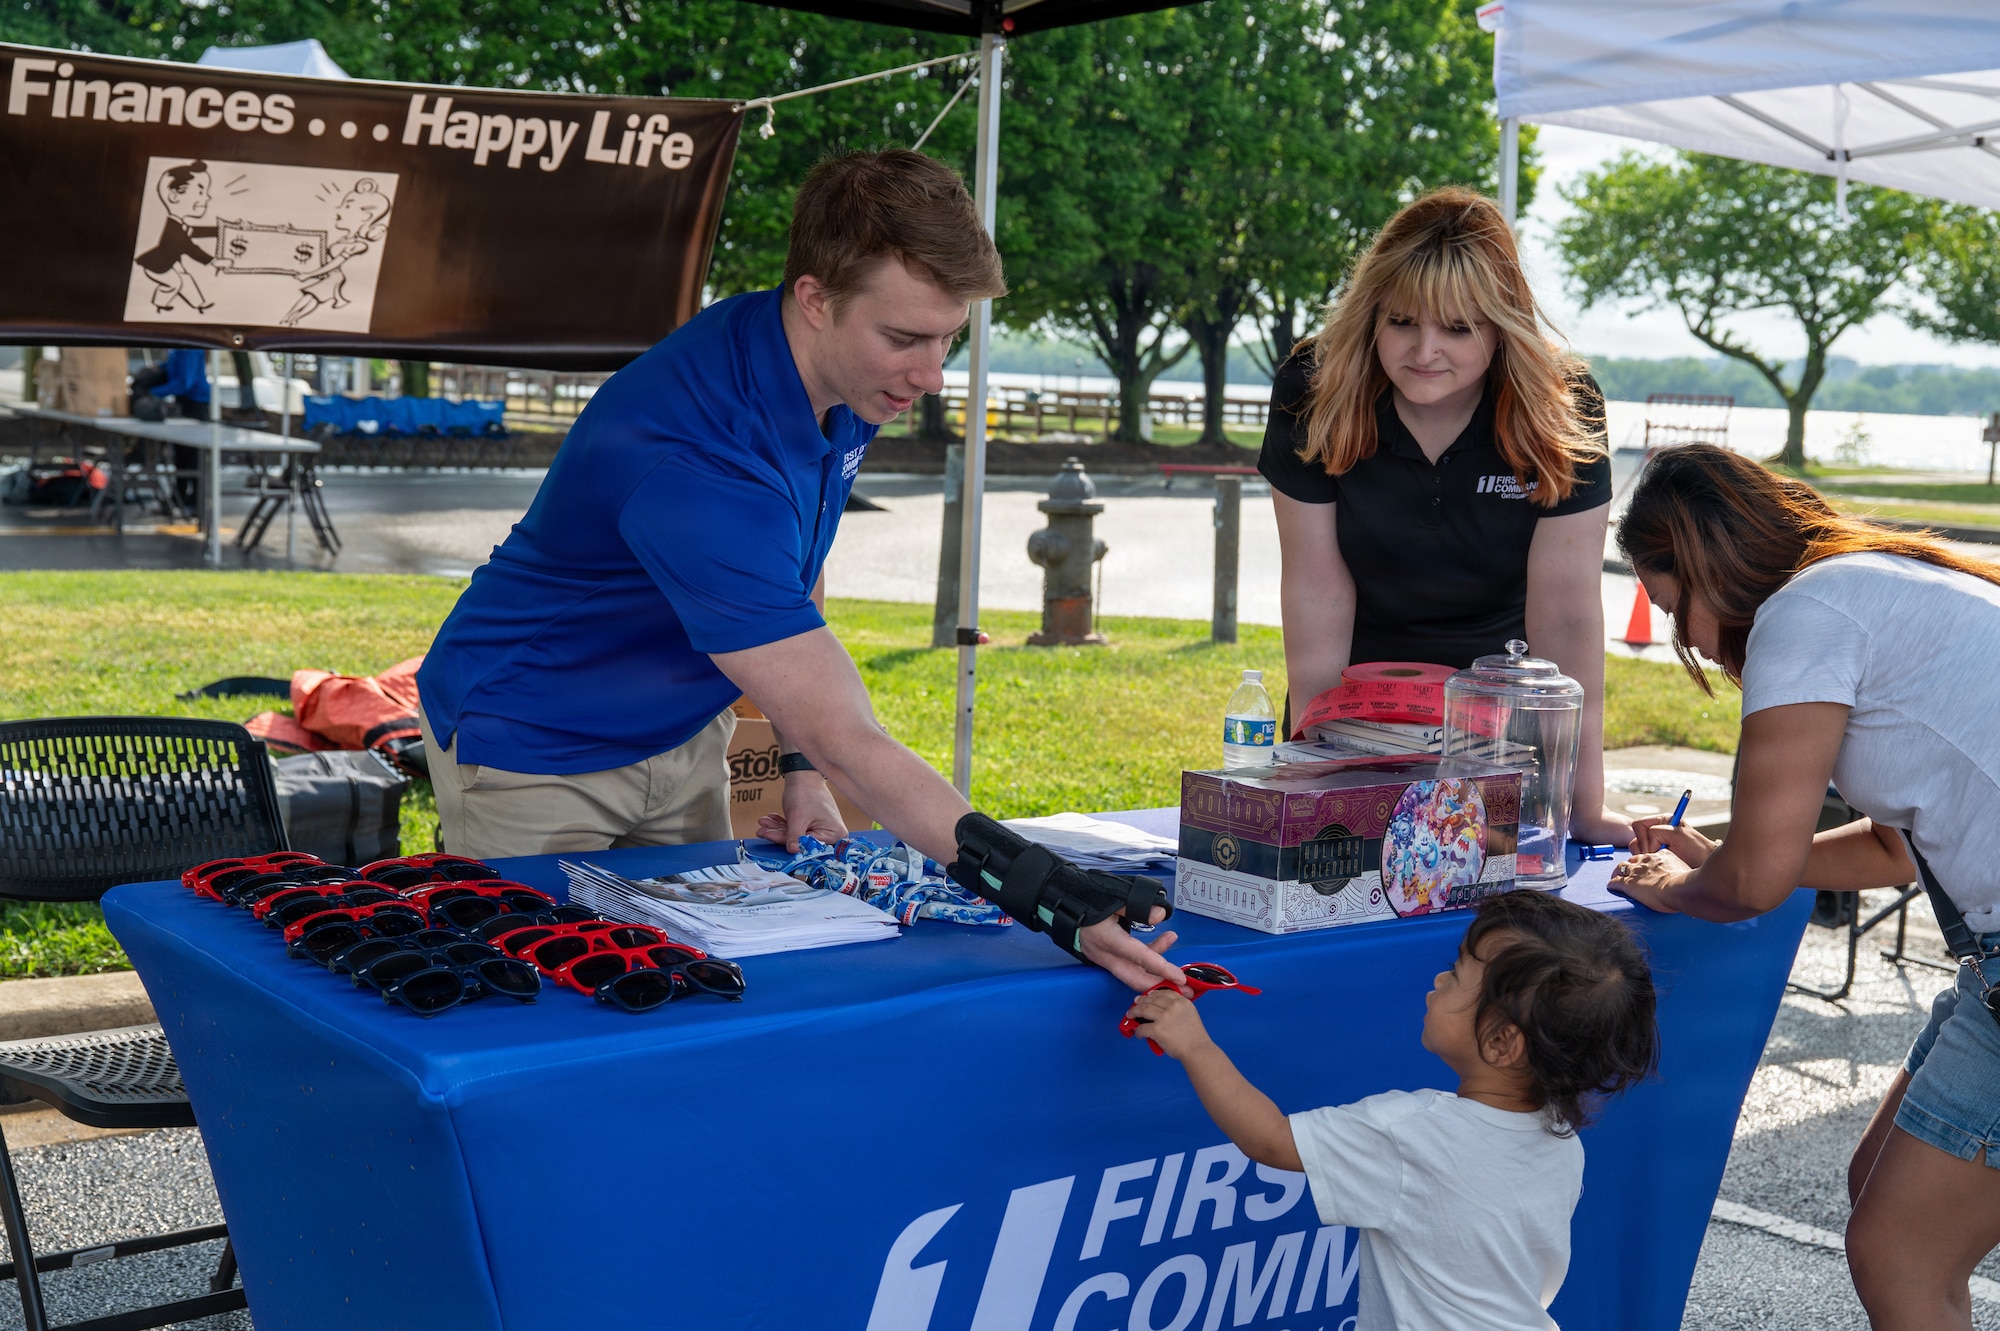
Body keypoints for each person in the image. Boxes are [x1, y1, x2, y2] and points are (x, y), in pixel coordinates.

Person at [416, 151, 1182, 992]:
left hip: (678, 731)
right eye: (906, 339)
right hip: (534, 737)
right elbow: (850, 736)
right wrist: (1044, 890)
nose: (930, 377)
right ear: (816, 298)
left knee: (691, 986)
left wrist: (798, 767)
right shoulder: (692, 448)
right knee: (541, 999)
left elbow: (795, 575)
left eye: (948, 339)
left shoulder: (838, 374)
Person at [1607, 443, 2000, 1330]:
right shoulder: (1870, 582)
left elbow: (1755, 882)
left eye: (1677, 609)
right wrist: (1716, 858)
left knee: (1898, 1252)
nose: (1692, 642)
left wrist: (1678, 883)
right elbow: (1893, 853)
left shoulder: (1803, 613)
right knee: (1883, 1196)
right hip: (1989, 958)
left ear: (1708, 563)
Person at [1258, 187, 1628, 845]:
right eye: (1401, 322)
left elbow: (1567, 614)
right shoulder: (1312, 388)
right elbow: (1315, 587)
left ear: (1500, 325)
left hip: (1500, 719)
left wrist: (1584, 805)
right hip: (1352, 699)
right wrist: (1318, 754)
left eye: (1457, 328)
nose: (1424, 351)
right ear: (1372, 314)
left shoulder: (1564, 404)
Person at [1125, 890, 1658, 1330]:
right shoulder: (1561, 1139)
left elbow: (1269, 1140)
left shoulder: (1413, 1133)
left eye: (1458, 974)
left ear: (1501, 1043)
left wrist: (1195, 1046)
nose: (1439, 980)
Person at [128, 348, 211, 508]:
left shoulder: (189, 348)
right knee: (180, 454)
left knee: (192, 456)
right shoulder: (176, 348)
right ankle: (178, 496)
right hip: (184, 401)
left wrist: (153, 392)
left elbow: (185, 383)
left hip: (196, 404)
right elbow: (171, 367)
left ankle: (196, 502)